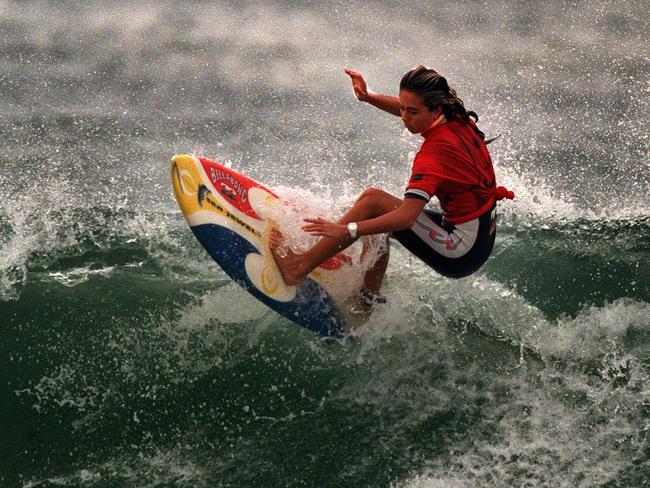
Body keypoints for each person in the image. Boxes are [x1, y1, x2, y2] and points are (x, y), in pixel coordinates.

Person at [270, 65, 514, 307]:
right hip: (478, 234)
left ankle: (298, 268)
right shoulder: (454, 116)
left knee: (372, 203)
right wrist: (367, 97)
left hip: (461, 251)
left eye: (412, 112)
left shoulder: (435, 154)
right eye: (402, 108)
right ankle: (367, 296)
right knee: (376, 208)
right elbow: (411, 109)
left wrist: (348, 230)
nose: (405, 118)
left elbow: (406, 218)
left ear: (435, 109)